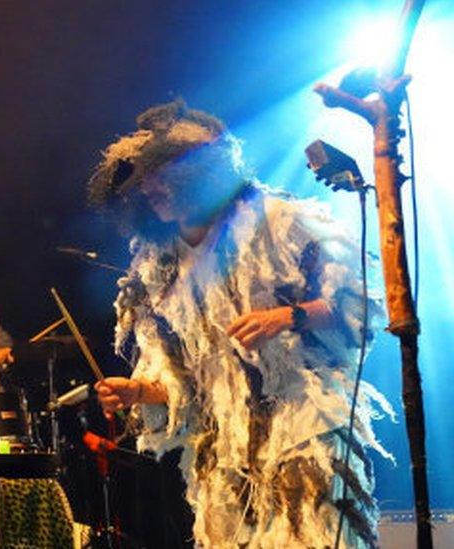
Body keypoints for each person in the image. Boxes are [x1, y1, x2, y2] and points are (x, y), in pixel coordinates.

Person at [86, 100, 392, 548]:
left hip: (301, 426)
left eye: (163, 175)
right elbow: (180, 381)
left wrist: (289, 315)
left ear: (200, 175)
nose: (151, 187)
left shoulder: (280, 221)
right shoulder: (158, 266)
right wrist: (139, 391)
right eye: (145, 180)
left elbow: (360, 308)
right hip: (224, 456)